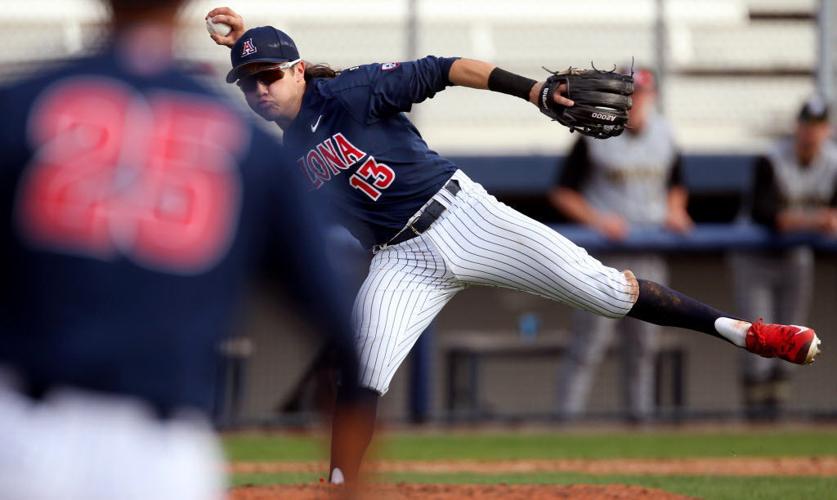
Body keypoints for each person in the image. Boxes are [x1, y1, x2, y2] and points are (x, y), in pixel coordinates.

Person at [206, 6, 821, 484]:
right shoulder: (284, 149)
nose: (259, 90)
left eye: (269, 75)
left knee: (610, 293)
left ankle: (746, 332)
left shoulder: (350, 91)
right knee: (360, 369)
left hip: (463, 215)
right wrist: (244, 43)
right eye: (248, 82)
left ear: (297, 70)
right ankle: (341, 486)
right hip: (401, 258)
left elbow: (447, 67)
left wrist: (533, 92)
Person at [0, 1, 360, 499]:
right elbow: (335, 320)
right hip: (163, 453)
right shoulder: (246, 144)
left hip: (24, 435)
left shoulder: (20, 105)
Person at [551, 68, 692, 422]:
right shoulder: (593, 131)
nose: (636, 101)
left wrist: (676, 209)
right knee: (588, 346)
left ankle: (640, 424)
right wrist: (597, 220)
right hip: (604, 256)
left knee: (643, 346)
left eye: (641, 94)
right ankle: (564, 424)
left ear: (652, 96)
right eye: (629, 94)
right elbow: (562, 192)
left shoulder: (665, 134)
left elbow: (676, 183)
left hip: (649, 250)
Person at [730, 96, 837, 420]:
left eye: (818, 126)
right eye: (806, 125)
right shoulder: (771, 158)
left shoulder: (832, 162)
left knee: (795, 337)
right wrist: (817, 221)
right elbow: (767, 215)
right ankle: (755, 418)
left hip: (795, 257)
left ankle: (776, 418)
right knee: (758, 337)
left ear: (827, 130)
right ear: (797, 127)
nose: (811, 132)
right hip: (755, 256)